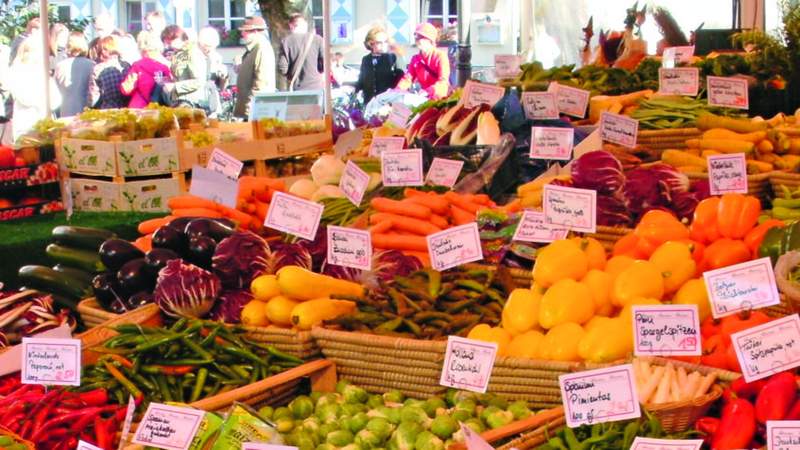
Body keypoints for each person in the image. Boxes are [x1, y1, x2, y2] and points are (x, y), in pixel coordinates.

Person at [6, 37, 59, 140]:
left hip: (44, 121)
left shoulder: (42, 71)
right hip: (26, 122)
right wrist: (43, 99)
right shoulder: (17, 71)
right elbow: (24, 98)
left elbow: (56, 100)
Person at [161, 25, 212, 111]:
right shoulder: (179, 53)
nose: (168, 46)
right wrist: (169, 81)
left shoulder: (192, 53)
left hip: (192, 102)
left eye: (169, 42)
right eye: (167, 43)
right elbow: (182, 77)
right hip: (179, 101)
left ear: (177, 38)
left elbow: (198, 81)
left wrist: (175, 86)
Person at [234, 16, 275, 119]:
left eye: (246, 31)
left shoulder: (262, 49)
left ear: (256, 31)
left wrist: (251, 107)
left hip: (256, 111)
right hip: (252, 109)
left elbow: (261, 83)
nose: (242, 34)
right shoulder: (254, 48)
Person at [395, 22, 451, 100]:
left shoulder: (440, 56)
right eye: (416, 37)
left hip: (439, 98)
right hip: (423, 98)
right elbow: (407, 79)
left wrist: (429, 91)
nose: (417, 40)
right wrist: (397, 90)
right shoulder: (416, 59)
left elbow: (443, 81)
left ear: (430, 40)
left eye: (420, 37)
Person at [120, 31, 171, 108]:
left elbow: (127, 88)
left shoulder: (137, 66)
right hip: (159, 107)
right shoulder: (166, 66)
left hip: (138, 107)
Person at [355, 26, 403, 104]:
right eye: (379, 42)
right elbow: (362, 80)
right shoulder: (366, 59)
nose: (383, 45)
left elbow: (401, 78)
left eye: (385, 42)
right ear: (371, 43)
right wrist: (354, 89)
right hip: (369, 103)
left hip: (387, 103)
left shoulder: (392, 57)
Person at [278, 13, 323, 91]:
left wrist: (291, 75)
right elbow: (324, 65)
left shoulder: (286, 42)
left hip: (297, 88)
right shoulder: (318, 39)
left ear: (291, 26)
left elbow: (282, 68)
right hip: (316, 88)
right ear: (305, 25)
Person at [54, 32, 94, 117]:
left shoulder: (60, 66)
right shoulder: (92, 65)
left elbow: (56, 89)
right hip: (86, 108)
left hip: (66, 108)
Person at [89, 36, 130, 109]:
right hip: (128, 107)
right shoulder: (126, 66)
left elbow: (93, 98)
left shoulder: (97, 69)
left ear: (101, 50)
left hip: (108, 109)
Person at [198, 26, 228, 90]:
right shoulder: (194, 56)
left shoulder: (217, 57)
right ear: (200, 44)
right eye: (206, 46)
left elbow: (222, 87)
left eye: (211, 47)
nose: (209, 50)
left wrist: (224, 77)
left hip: (212, 94)